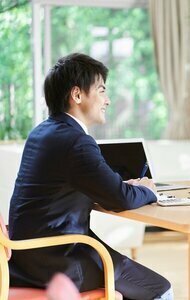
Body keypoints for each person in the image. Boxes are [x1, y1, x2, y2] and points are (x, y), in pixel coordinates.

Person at [8, 53, 172, 300]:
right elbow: (121, 199)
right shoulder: (76, 141)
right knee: (160, 289)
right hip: (58, 260)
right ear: (77, 95)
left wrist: (119, 186)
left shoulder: (42, 132)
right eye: (102, 90)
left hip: (26, 259)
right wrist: (149, 189)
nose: (107, 100)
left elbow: (72, 187)